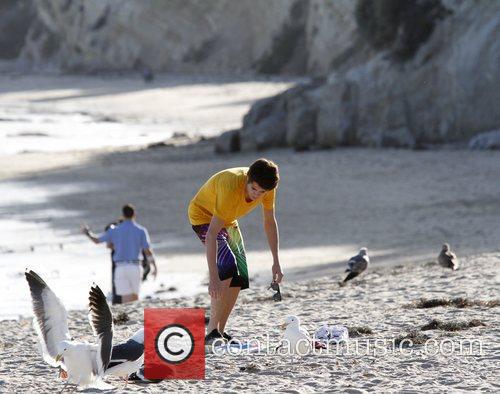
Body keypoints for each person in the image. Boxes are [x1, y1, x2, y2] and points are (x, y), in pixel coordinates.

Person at [188, 158, 284, 343]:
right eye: (253, 189)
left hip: (228, 219)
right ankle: (210, 334)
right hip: (203, 216)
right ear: (247, 179)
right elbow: (211, 235)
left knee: (240, 274)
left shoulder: (268, 189)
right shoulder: (231, 187)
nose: (257, 195)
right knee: (228, 266)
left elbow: (270, 222)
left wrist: (276, 262)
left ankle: (220, 332)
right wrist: (213, 277)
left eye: (261, 192)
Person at [82, 204, 158, 303]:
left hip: (120, 267)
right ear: (134, 214)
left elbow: (97, 240)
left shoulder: (114, 230)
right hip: (135, 266)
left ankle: (127, 317)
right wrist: (154, 266)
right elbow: (147, 251)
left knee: (125, 299)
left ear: (123, 215)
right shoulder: (141, 230)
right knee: (135, 297)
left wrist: (87, 233)